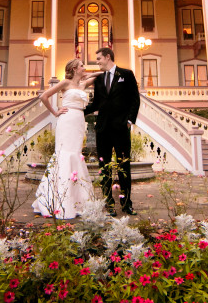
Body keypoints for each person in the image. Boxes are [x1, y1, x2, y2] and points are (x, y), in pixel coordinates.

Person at [32, 59, 102, 219]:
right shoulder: (65, 82)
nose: (84, 67)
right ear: (74, 68)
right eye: (82, 66)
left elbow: (100, 76)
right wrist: (55, 112)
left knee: (76, 154)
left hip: (78, 119)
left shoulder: (83, 84)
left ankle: (77, 199)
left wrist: (88, 74)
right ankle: (59, 199)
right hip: (67, 118)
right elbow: (44, 96)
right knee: (65, 154)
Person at [84, 47, 141, 216]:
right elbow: (96, 104)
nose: (97, 62)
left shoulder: (126, 74)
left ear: (108, 57)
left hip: (121, 128)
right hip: (102, 129)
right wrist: (77, 111)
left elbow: (134, 99)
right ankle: (108, 202)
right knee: (104, 166)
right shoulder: (99, 80)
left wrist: (130, 121)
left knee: (124, 165)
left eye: (99, 59)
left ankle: (126, 203)